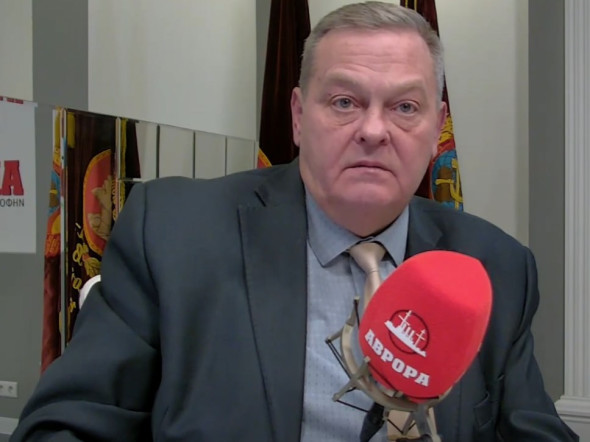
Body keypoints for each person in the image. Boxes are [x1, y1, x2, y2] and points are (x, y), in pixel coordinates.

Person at [12, 2, 578, 441]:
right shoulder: (173, 235)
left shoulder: (496, 267)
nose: (374, 130)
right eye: (344, 102)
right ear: (299, 117)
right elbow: (65, 426)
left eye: (405, 107)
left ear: (437, 132)